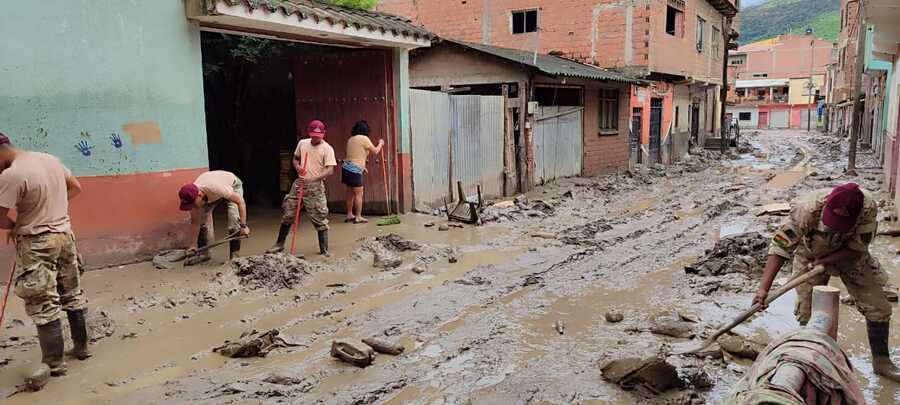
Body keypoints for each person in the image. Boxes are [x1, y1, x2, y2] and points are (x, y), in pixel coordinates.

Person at [753, 183, 900, 382]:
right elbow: (781, 246)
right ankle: (816, 363)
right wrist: (763, 288)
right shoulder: (807, 209)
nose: (834, 227)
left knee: (878, 307)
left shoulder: (867, 209)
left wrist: (828, 260)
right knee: (808, 313)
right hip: (810, 253)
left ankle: (882, 363)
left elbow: (858, 247)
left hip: (851, 256)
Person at [0, 132, 88, 388]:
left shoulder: (11, 175)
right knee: (72, 292)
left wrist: (16, 225)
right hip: (65, 236)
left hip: (38, 242)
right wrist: (52, 206)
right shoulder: (49, 159)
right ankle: (82, 348)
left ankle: (54, 363)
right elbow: (76, 187)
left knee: (42, 300)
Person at [267, 120, 336, 256]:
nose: (316, 138)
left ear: (323, 134)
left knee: (320, 218)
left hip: (315, 187)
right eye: (313, 135)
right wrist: (297, 166)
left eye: (318, 136)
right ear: (309, 133)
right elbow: (295, 159)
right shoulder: (302, 143)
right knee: (288, 214)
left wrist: (313, 178)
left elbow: (330, 170)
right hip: (299, 184)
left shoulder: (327, 149)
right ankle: (279, 244)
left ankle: (324, 250)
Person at [178, 170, 249, 264]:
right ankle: (204, 254)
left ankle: (235, 255)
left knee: (234, 219)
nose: (192, 207)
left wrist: (243, 226)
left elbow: (240, 202)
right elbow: (195, 223)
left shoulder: (216, 188)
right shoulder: (192, 197)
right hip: (212, 192)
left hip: (232, 185)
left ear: (199, 195)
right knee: (202, 218)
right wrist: (193, 245)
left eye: (193, 204)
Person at [342, 120, 384, 224]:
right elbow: (375, 151)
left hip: (346, 168)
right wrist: (380, 143)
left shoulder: (351, 139)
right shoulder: (364, 138)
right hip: (355, 169)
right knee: (359, 194)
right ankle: (358, 216)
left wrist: (363, 167)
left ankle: (349, 214)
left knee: (350, 193)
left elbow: (355, 155)